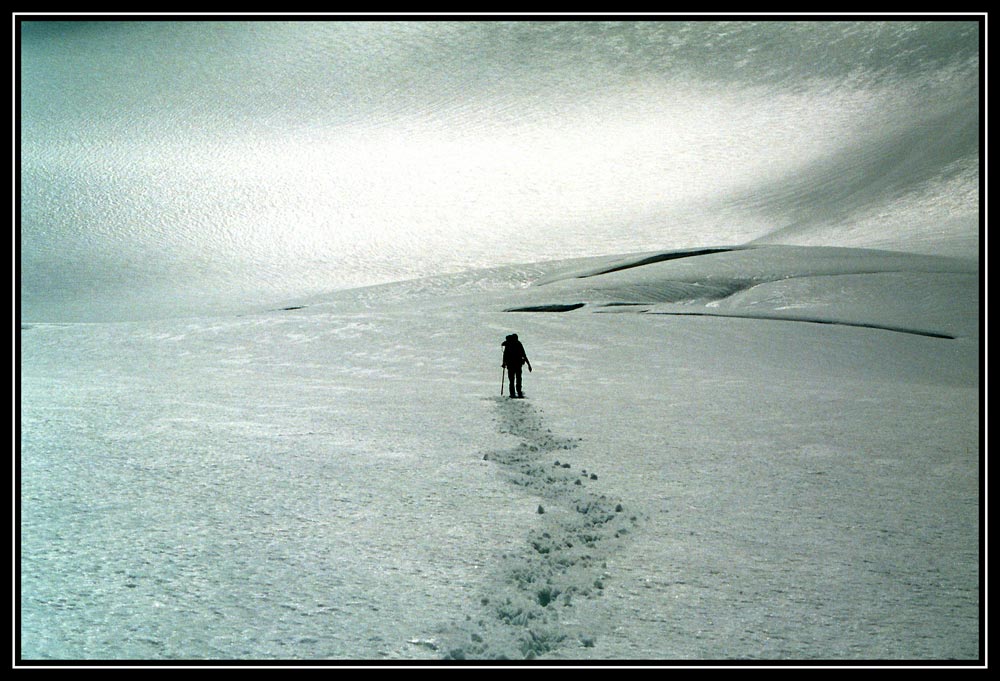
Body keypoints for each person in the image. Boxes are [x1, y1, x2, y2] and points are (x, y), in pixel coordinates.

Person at [501, 333, 531, 398]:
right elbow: (524, 355)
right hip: (517, 365)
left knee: (512, 380)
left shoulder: (508, 344)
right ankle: (518, 392)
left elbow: (505, 355)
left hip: (511, 365)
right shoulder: (518, 344)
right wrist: (529, 365)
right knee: (518, 379)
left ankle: (513, 393)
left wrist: (504, 363)